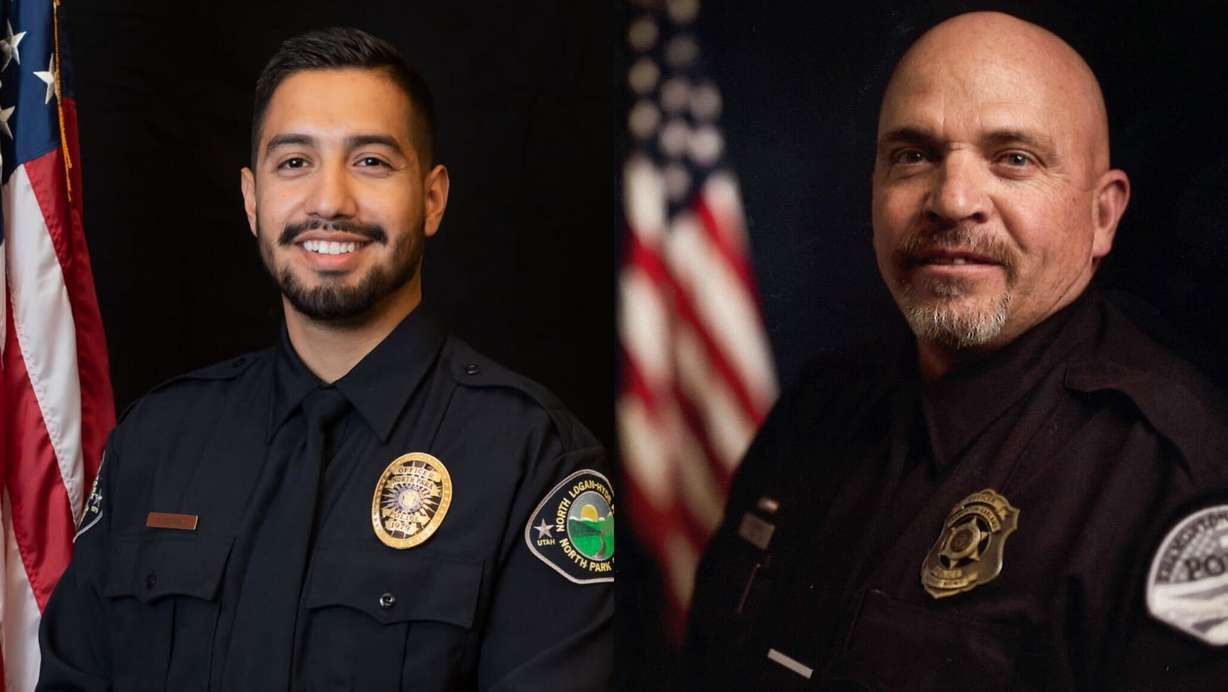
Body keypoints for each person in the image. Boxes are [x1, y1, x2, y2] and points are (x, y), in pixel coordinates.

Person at [38, 27, 613, 691]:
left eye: (370, 161)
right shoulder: (155, 445)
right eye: (294, 163)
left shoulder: (535, 464)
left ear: (432, 198)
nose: (329, 201)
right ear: (253, 201)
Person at [684, 11, 1228, 690]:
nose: (953, 199)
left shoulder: (1177, 481)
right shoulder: (815, 412)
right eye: (913, 155)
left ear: (1103, 215)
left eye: (1014, 158)